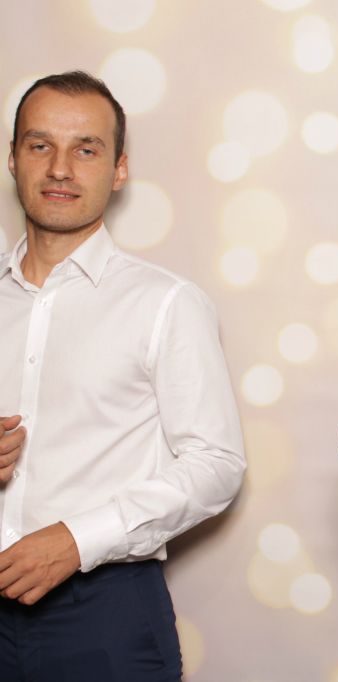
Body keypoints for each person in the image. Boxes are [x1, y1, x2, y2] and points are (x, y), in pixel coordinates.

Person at [0, 71, 246, 681]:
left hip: (104, 615)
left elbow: (216, 464)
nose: (60, 168)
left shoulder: (166, 303)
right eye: (40, 145)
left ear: (119, 169)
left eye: (85, 149)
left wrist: (77, 539)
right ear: (13, 159)